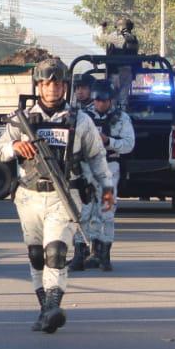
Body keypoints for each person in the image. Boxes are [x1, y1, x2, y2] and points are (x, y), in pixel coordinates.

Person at [0, 58, 115, 334]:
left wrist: (107, 192)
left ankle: (53, 307)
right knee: (37, 255)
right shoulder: (21, 120)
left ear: (65, 87)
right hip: (29, 196)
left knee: (56, 252)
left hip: (64, 196)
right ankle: (45, 309)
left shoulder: (80, 120)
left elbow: (97, 159)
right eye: (47, 84)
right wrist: (16, 146)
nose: (52, 89)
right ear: (38, 86)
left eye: (58, 84)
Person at [76, 82, 135, 272]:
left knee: (106, 212)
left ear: (110, 100)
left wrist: (108, 141)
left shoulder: (121, 118)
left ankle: (104, 254)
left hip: (109, 170)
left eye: (103, 100)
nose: (99, 104)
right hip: (86, 168)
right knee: (83, 211)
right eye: (96, 100)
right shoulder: (83, 116)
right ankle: (80, 253)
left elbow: (129, 144)